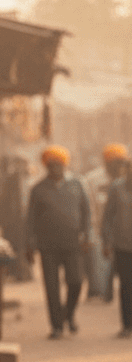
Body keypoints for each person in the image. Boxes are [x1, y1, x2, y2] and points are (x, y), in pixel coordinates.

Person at [26, 145, 91, 338]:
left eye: (59, 165)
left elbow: (87, 213)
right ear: (47, 167)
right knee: (52, 288)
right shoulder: (38, 189)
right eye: (51, 165)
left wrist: (87, 235)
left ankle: (68, 314)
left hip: (72, 244)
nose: (55, 168)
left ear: (65, 165)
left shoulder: (78, 184)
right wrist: (29, 245)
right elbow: (30, 220)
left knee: (76, 282)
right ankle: (56, 326)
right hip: (48, 246)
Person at [84, 143, 129, 299]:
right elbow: (88, 207)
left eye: (120, 162)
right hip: (99, 229)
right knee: (100, 265)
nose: (117, 166)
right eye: (114, 162)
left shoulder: (126, 181)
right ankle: (100, 291)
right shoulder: (93, 179)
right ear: (106, 162)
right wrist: (90, 231)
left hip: (124, 231)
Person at [101, 152, 132, 338]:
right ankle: (127, 325)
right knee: (126, 285)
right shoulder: (116, 188)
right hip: (122, 246)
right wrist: (106, 241)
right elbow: (107, 217)